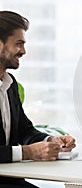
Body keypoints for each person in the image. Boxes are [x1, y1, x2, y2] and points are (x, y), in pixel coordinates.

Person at [0, 10, 76, 187]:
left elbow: (24, 130)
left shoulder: (9, 84)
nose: (23, 51)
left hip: (10, 181)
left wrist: (51, 141)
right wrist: (27, 153)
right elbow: (25, 149)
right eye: (18, 44)